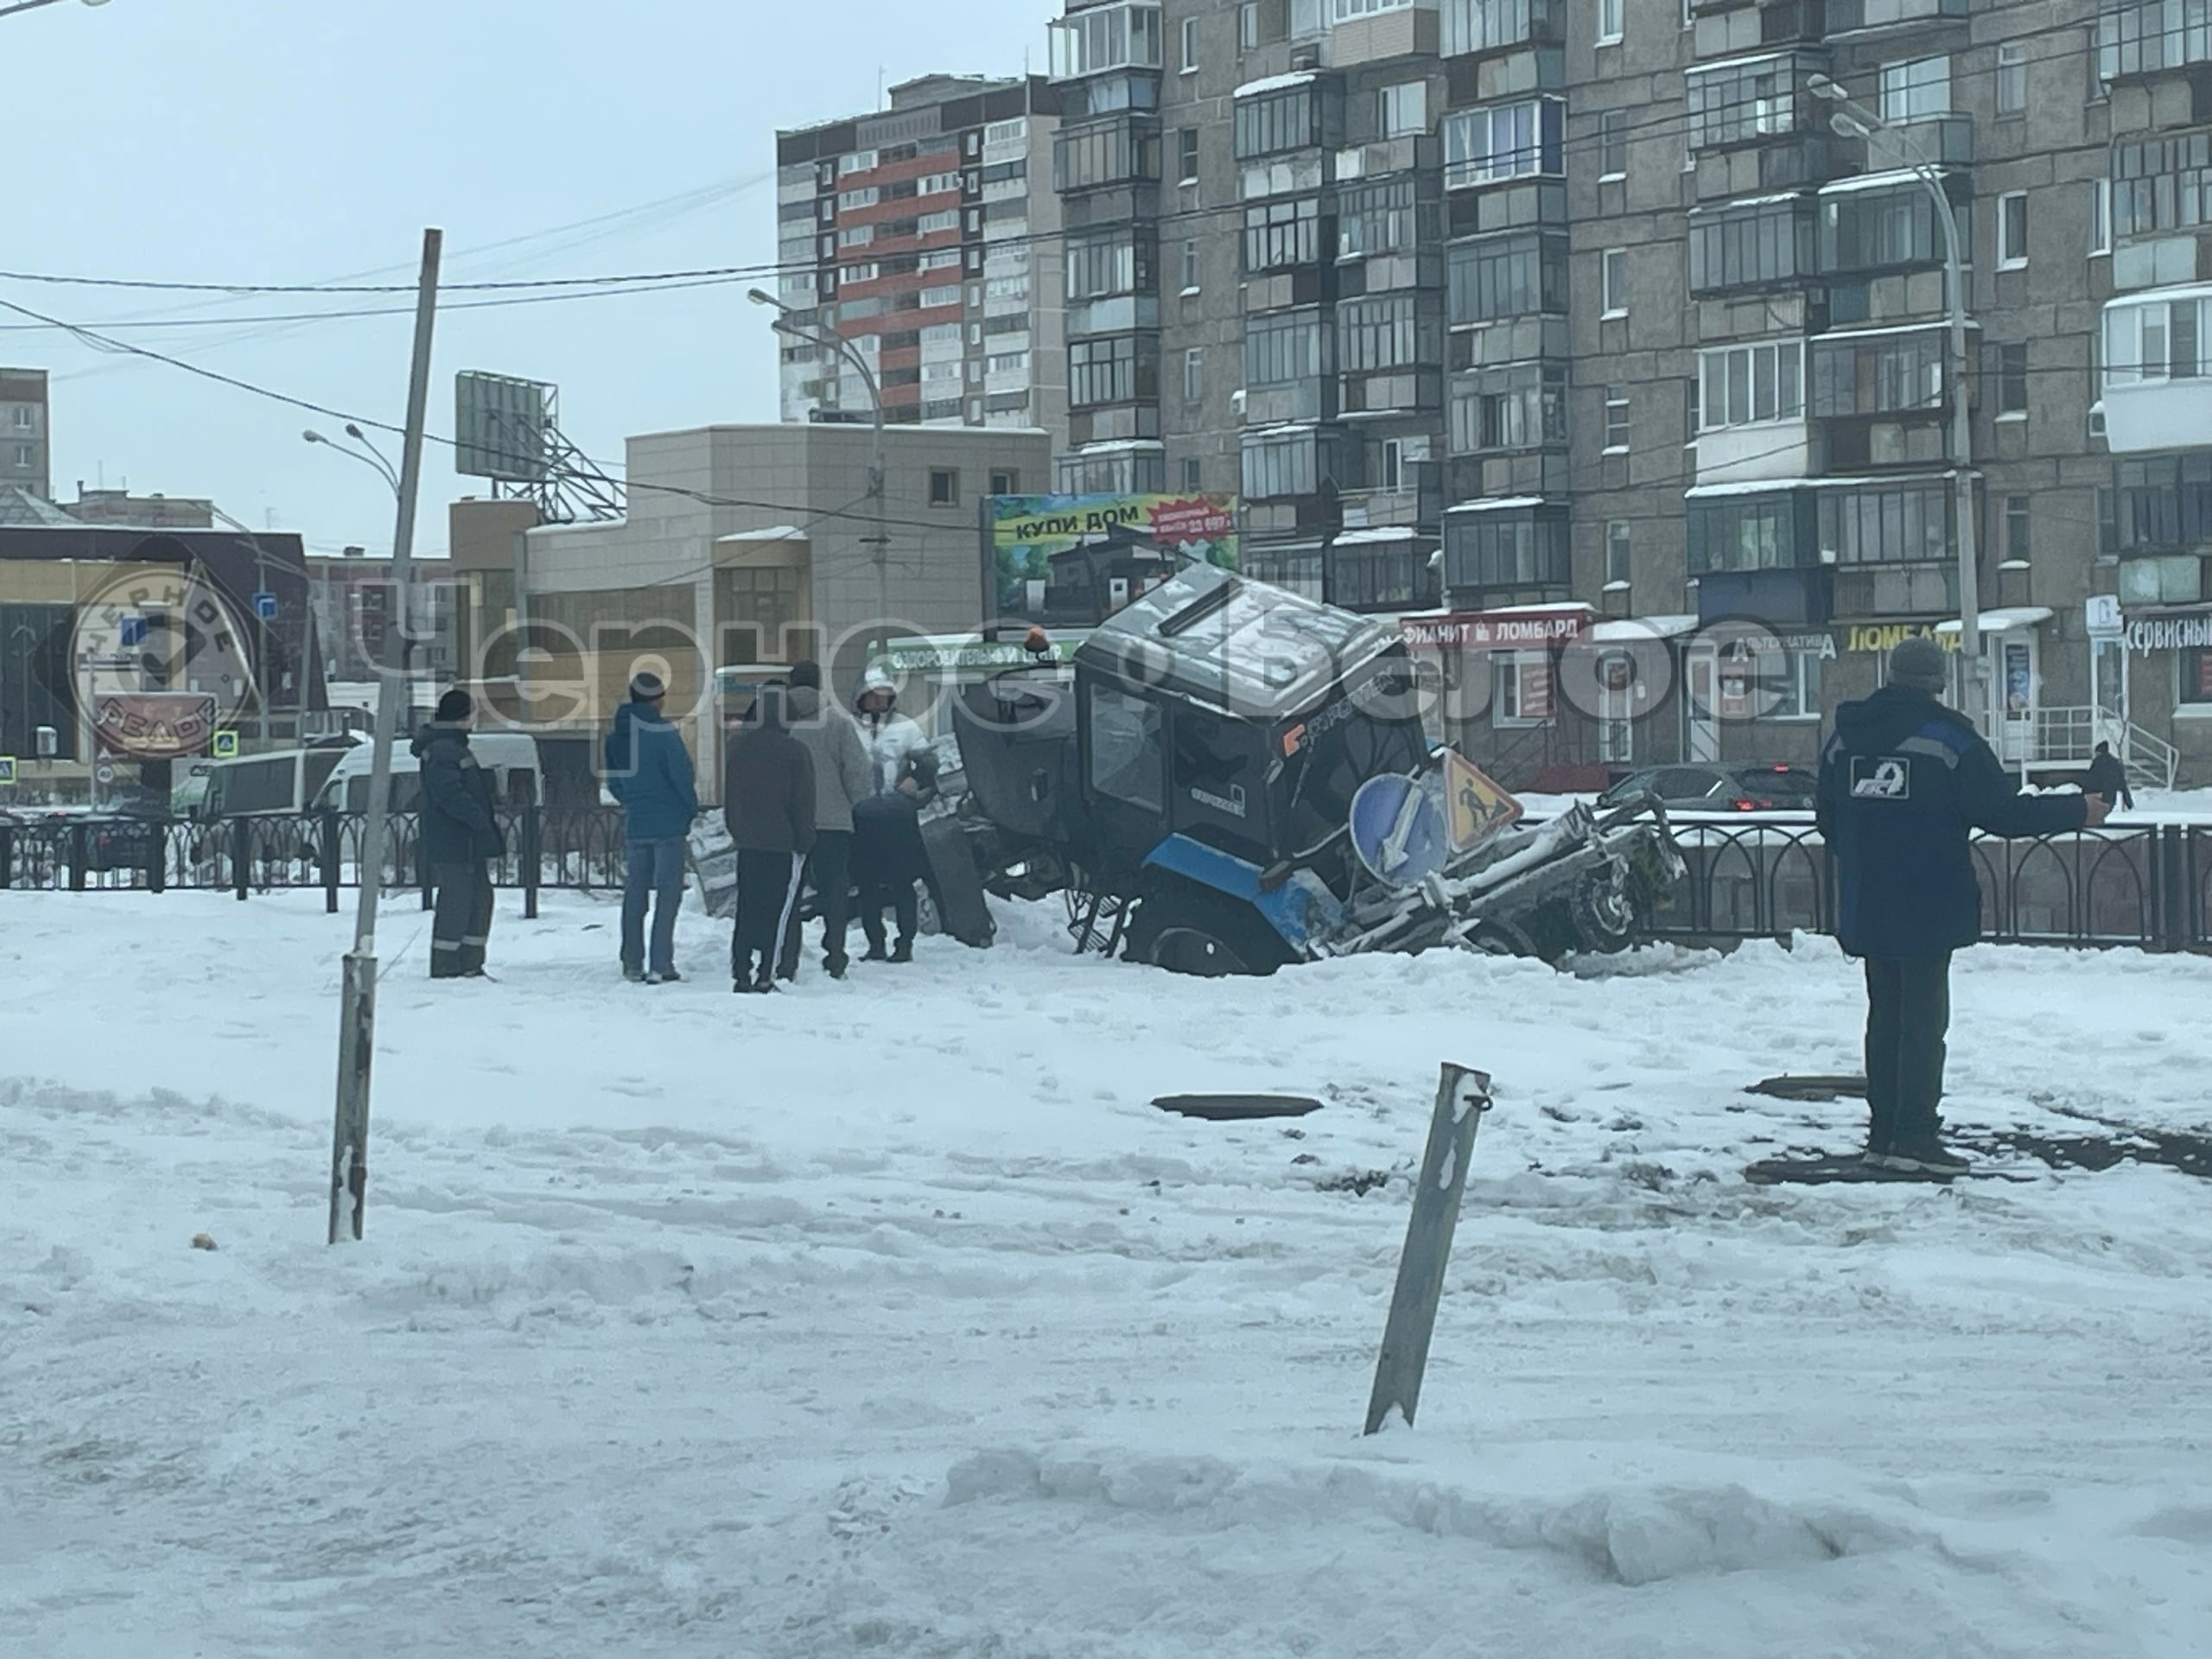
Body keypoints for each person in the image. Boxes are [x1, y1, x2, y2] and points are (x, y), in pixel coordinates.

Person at [1816, 636, 2109, 1174]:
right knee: (1924, 1024)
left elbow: (1828, 819)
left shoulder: (1844, 738)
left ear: (1890, 675)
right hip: (1929, 901)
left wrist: (1871, 858)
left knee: (1885, 1019)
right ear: (1938, 683)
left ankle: (1884, 1136)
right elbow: (2001, 812)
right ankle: (1915, 1139)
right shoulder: (1949, 740)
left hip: (1869, 901)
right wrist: (2078, 809)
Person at [777, 660, 873, 982]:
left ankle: (787, 961)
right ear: (820, 686)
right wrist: (854, 805)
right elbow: (857, 771)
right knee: (834, 891)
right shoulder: (838, 723)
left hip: (790, 825)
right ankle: (835, 957)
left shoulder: (782, 724)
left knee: (789, 894)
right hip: (834, 823)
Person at [603, 671, 698, 984]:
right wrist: (688, 809)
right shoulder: (662, 732)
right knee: (668, 895)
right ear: (658, 699)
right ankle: (661, 963)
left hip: (637, 821)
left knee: (635, 895)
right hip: (668, 823)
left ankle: (632, 961)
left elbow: (614, 781)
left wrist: (632, 800)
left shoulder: (618, 735)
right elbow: (681, 775)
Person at [722, 683, 816, 994]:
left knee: (747, 906)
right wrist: (804, 840)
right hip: (782, 843)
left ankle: (740, 970)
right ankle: (767, 972)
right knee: (778, 911)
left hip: (748, 842)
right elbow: (803, 801)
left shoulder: (738, 747)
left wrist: (737, 830)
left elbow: (731, 796)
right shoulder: (796, 752)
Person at [414, 688, 505, 981]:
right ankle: (447, 964)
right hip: (455, 840)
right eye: (473, 713)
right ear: (461, 717)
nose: (475, 719)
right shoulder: (444, 750)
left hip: (465, 841)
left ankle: (469, 962)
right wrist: (480, 822)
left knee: (478, 898)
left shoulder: (451, 747)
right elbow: (451, 795)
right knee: (458, 900)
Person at [849, 668, 938, 964]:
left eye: (884, 696)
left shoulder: (906, 727)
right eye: (873, 696)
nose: (879, 701)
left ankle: (905, 943)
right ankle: (876, 943)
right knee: (867, 883)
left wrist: (915, 779)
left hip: (897, 816)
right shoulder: (849, 728)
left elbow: (929, 763)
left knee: (902, 883)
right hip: (862, 816)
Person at [2084, 741, 2136, 813]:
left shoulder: (2097, 762)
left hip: (2098, 795)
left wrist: (2084, 793)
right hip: (2111, 796)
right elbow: (2122, 782)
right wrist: (2128, 801)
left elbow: (2090, 779)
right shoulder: (2115, 762)